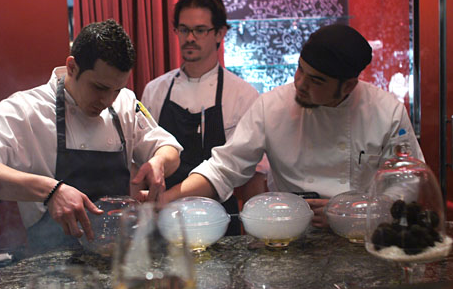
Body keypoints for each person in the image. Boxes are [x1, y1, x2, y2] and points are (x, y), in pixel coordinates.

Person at [161, 23, 424, 228]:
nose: (300, 84)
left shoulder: (386, 113)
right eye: (300, 70)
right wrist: (167, 199)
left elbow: (409, 181)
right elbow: (224, 168)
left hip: (364, 237)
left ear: (348, 86)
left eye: (316, 81)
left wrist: (361, 212)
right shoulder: (272, 106)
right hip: (293, 236)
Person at [0, 19, 182, 250]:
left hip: (118, 261)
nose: (108, 101)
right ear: (72, 67)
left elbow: (169, 148)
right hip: (52, 269)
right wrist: (50, 190)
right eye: (99, 88)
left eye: (117, 90)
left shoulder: (125, 103)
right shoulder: (26, 110)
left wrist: (159, 162)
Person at [141, 0, 266, 235]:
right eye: (184, 29)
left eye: (200, 30)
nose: (189, 38)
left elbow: (252, 175)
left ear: (219, 33)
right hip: (162, 221)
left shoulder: (243, 95)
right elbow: (144, 160)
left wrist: (256, 234)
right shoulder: (155, 90)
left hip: (220, 223)